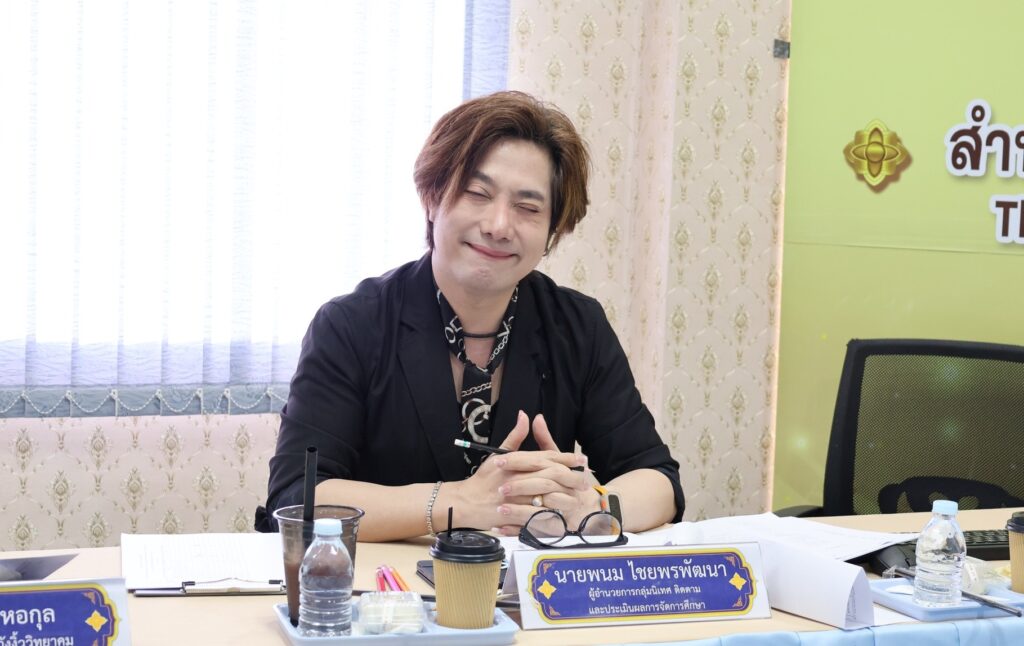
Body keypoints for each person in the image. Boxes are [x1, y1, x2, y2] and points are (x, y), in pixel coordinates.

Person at [257, 91, 684, 541]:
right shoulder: (351, 325)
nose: (499, 225)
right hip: (385, 582)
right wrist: (457, 502)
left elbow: (658, 480)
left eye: (528, 208)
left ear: (553, 230)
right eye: (477, 193)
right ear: (432, 198)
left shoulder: (577, 327)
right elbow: (298, 498)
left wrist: (595, 508)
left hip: (523, 584)